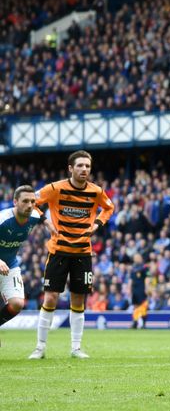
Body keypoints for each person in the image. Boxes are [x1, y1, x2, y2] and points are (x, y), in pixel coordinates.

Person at [30, 150, 115, 359]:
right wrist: (46, 221)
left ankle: (76, 348)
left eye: (87, 166)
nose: (84, 169)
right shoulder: (55, 188)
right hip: (58, 250)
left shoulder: (96, 191)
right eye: (80, 166)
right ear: (70, 168)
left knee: (78, 299)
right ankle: (40, 348)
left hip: (83, 253)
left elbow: (109, 208)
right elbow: (32, 200)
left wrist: (97, 224)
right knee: (50, 298)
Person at [0, 186, 51, 332]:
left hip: (10, 265)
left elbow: (40, 215)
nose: (29, 205)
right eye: (25, 201)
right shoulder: (3, 219)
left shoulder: (34, 216)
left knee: (17, 304)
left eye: (32, 201)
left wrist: (48, 223)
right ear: (15, 202)